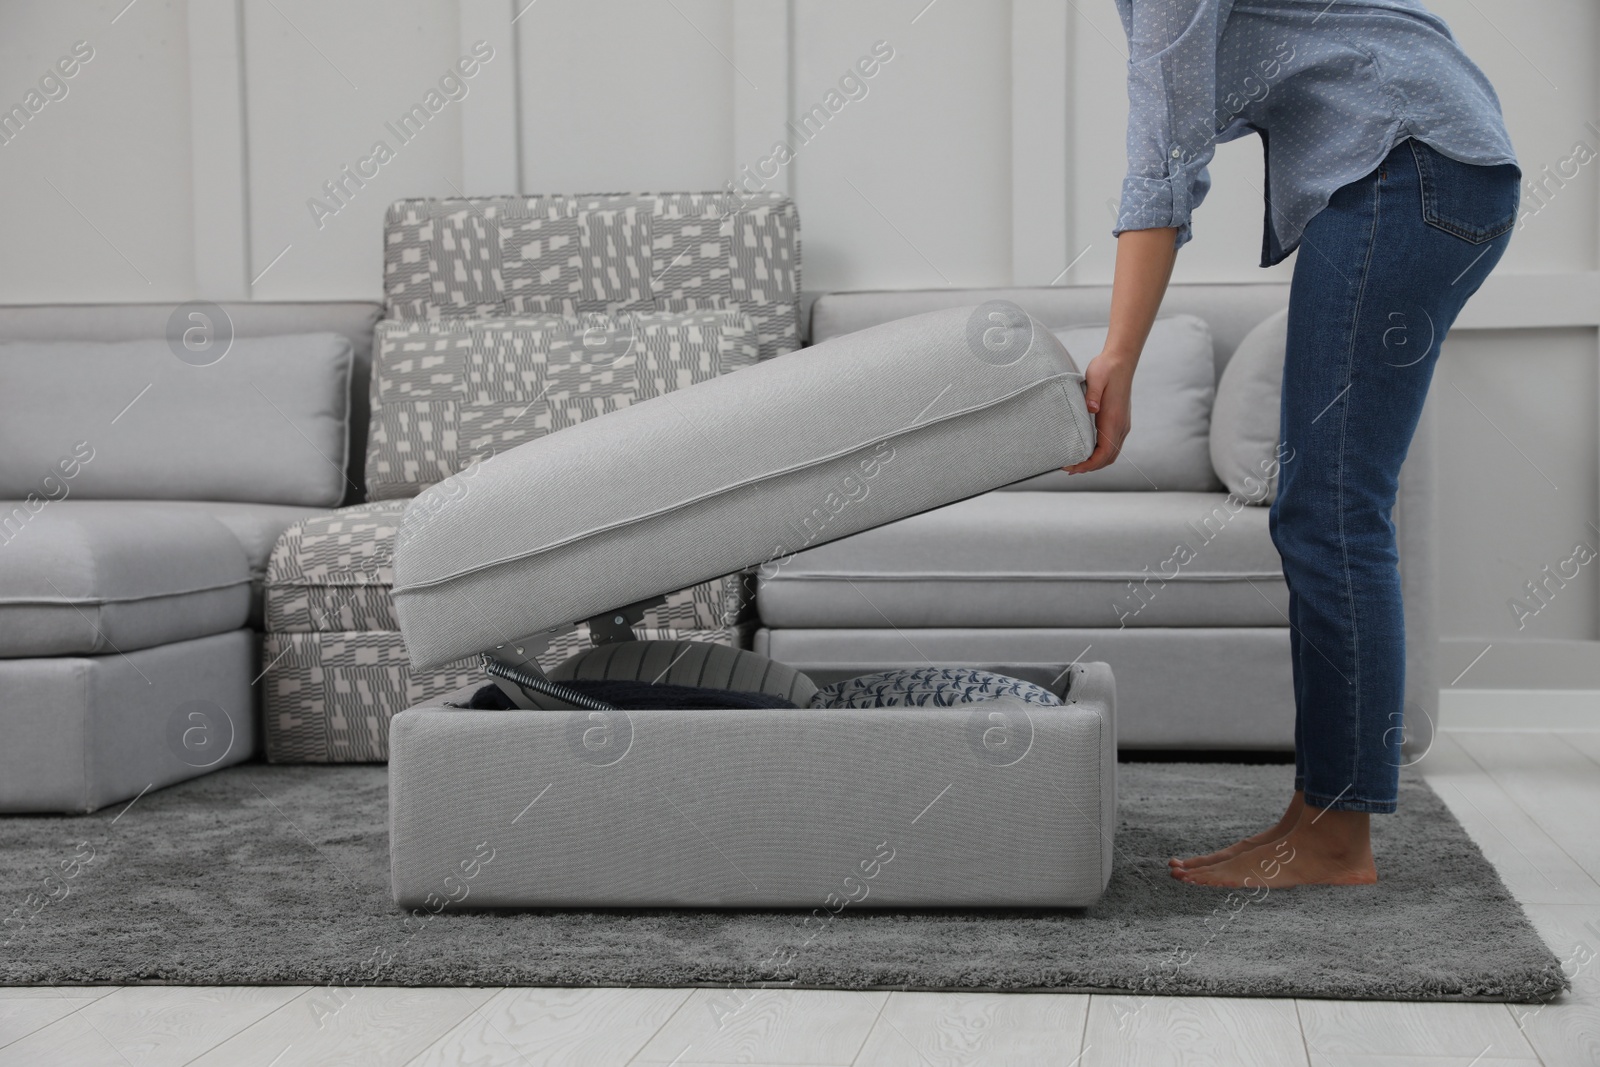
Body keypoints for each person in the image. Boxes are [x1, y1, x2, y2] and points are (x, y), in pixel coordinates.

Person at [1063, 0, 1522, 887]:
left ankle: (1334, 841)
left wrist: (1120, 353)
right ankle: (1318, 819)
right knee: (1329, 505)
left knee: (1332, 509)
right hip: (1431, 161)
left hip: (1406, 167)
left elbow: (1164, 146)